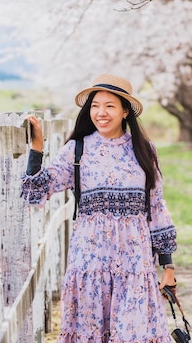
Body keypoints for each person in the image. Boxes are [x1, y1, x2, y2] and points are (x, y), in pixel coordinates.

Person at [21, 74, 178, 342]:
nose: (100, 113)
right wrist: (37, 148)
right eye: (95, 105)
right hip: (89, 262)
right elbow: (35, 193)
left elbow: (156, 206)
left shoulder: (144, 150)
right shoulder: (77, 150)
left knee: (134, 333)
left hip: (134, 262)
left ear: (125, 111)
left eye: (109, 106)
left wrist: (168, 266)